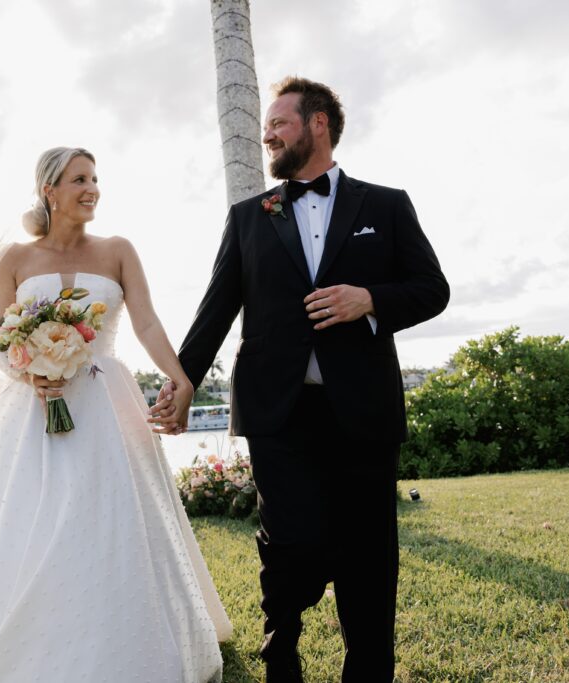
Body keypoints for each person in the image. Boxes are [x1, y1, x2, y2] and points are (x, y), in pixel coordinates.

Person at [0, 147, 231, 682]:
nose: (92, 188)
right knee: (34, 523)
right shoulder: (14, 259)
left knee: (113, 517)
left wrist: (179, 378)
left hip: (106, 401)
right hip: (32, 409)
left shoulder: (118, 250)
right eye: (79, 179)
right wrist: (29, 372)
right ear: (50, 189)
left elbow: (148, 324)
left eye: (95, 178)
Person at [151, 76, 449, 682]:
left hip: (363, 410)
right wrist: (181, 381)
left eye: (278, 123)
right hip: (278, 412)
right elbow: (215, 311)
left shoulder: (386, 205)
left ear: (317, 124)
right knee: (294, 542)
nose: (267, 134)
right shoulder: (248, 217)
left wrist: (370, 298)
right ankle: (280, 642)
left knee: (369, 558)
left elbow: (432, 290)